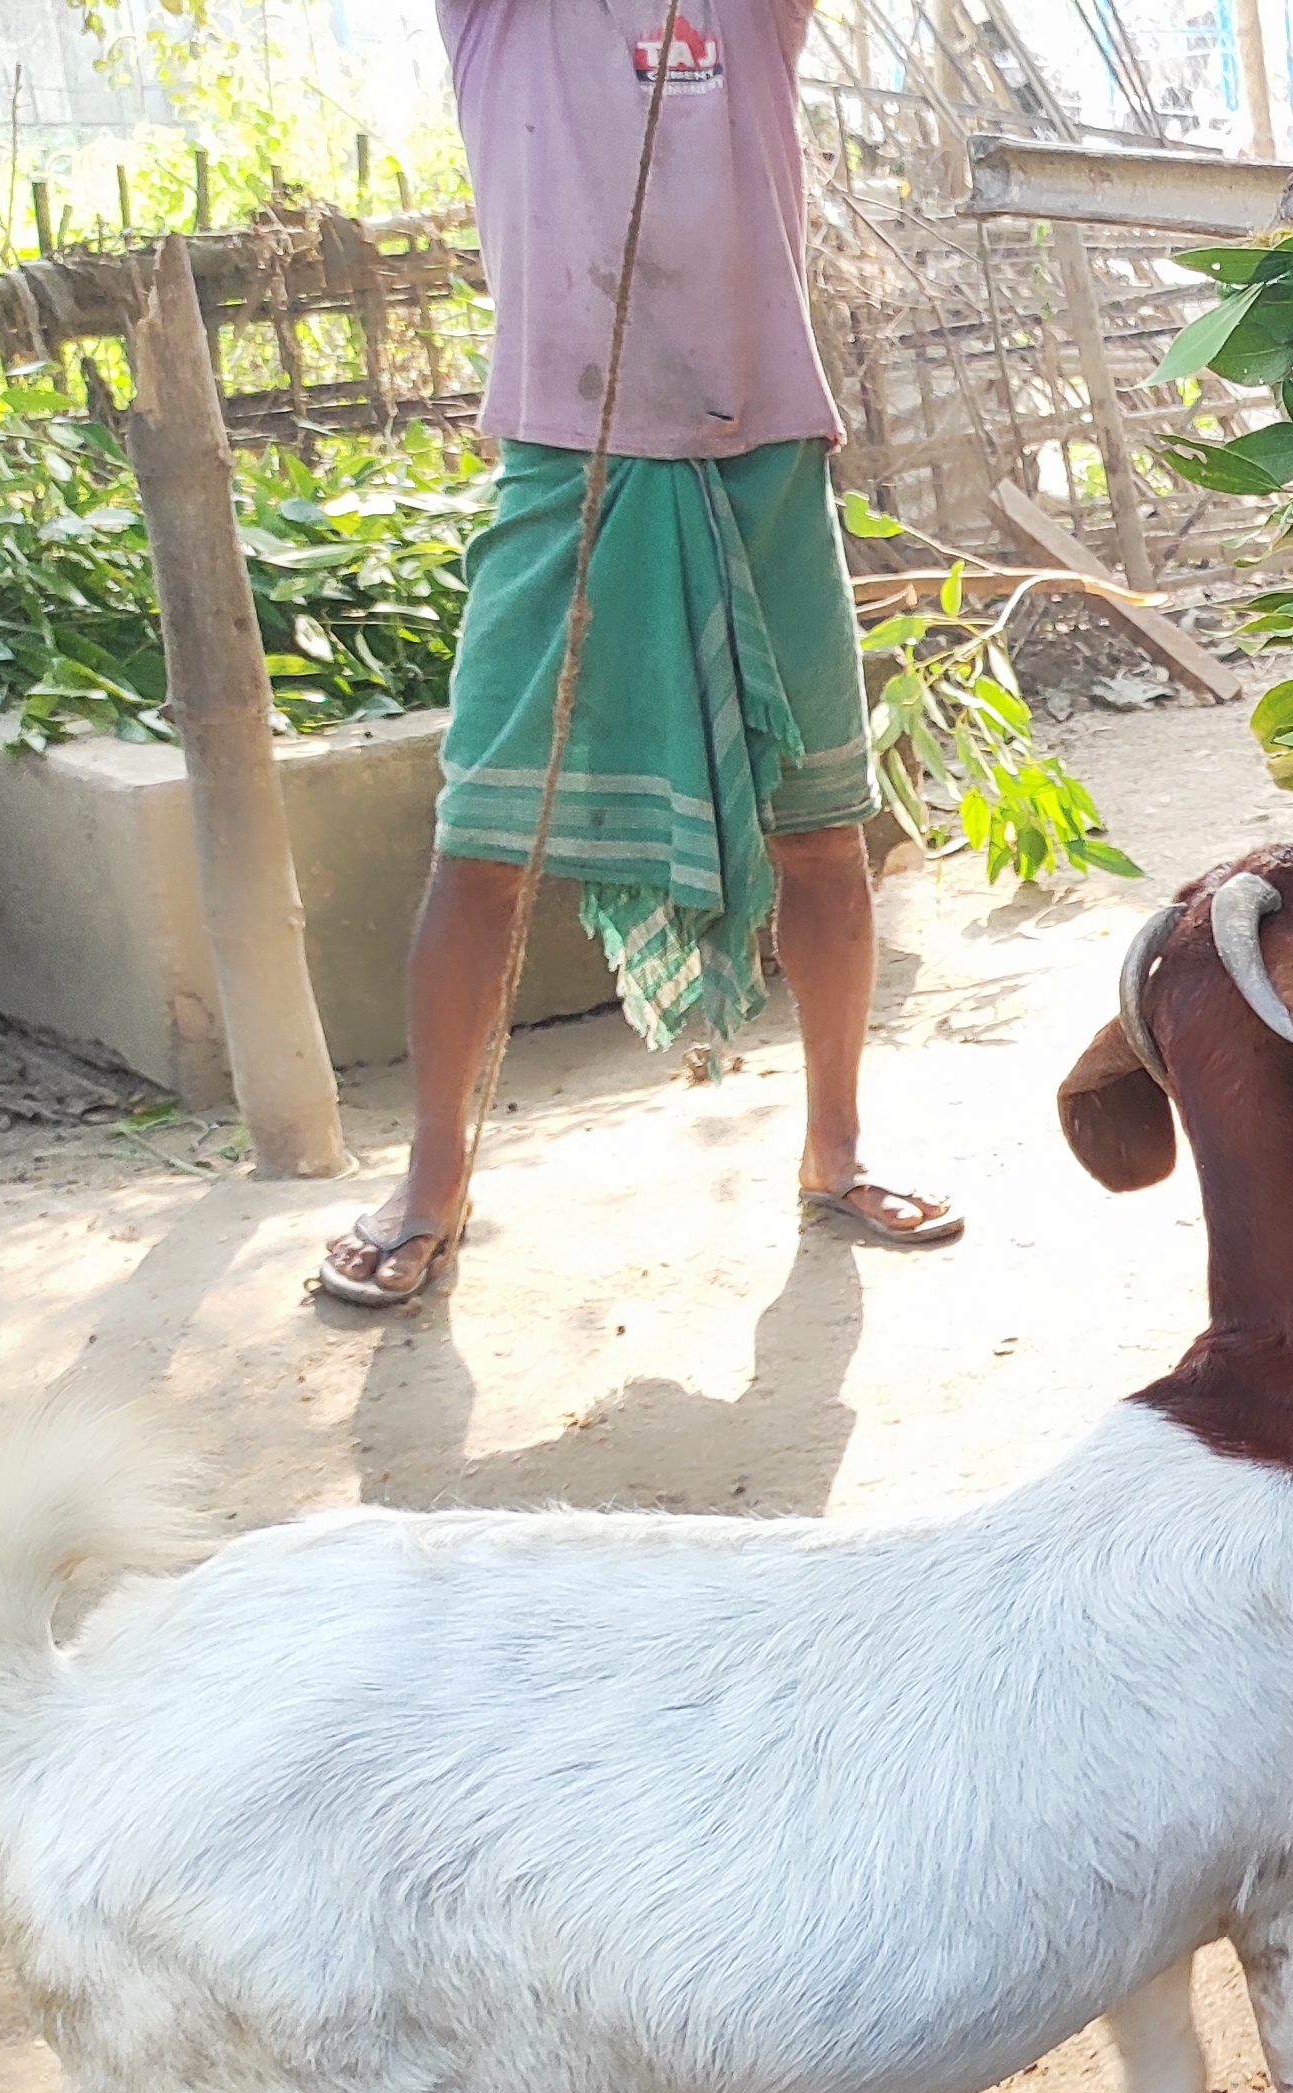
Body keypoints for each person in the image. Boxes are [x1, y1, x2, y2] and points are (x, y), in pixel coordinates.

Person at [318, 0, 959, 1307]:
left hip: (767, 454)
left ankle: (837, 1151)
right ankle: (432, 1181)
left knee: (825, 833)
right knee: (482, 845)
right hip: (568, 458)